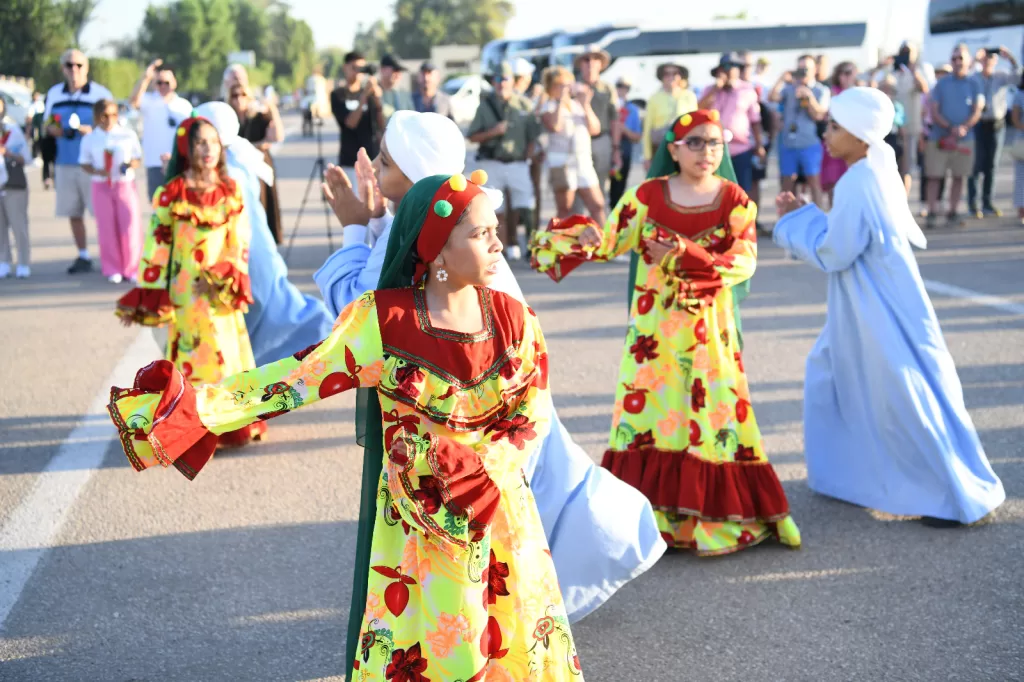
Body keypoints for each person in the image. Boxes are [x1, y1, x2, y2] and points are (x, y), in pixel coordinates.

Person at [107, 169, 590, 681]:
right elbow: (294, 378)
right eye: (481, 234)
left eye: (496, 230)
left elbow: (531, 411)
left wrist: (482, 468)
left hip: (500, 512)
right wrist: (193, 410)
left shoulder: (515, 317)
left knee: (510, 637)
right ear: (438, 253)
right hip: (419, 522)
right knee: (439, 642)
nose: (498, 243)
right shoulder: (383, 322)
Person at [316, 109, 665, 626]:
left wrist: (353, 229)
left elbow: (359, 311)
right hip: (487, 401)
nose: (377, 168)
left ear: (411, 178)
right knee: (526, 497)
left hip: (462, 415)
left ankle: (473, 624)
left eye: (386, 162)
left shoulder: (423, 235)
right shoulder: (452, 221)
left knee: (483, 516)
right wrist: (374, 218)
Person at [530, 110, 801, 555]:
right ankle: (647, 520)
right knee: (652, 418)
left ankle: (712, 519)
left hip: (707, 334)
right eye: (695, 143)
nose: (707, 152)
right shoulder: (645, 197)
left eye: (716, 143)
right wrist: (558, 243)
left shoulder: (735, 199)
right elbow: (609, 241)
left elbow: (744, 261)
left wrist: (681, 254)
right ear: (672, 150)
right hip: (653, 337)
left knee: (711, 417)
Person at [773, 87, 1004, 527]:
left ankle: (950, 494)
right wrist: (806, 216)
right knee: (845, 374)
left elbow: (836, 252)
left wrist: (792, 224)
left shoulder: (857, 181)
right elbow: (848, 239)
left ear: (861, 135)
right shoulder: (872, 174)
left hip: (872, 303)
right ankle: (855, 478)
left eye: (836, 126)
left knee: (900, 389)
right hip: (877, 296)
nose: (827, 132)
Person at [114, 115, 265, 449]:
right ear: (185, 148)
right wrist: (146, 296)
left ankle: (229, 426)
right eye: (199, 142)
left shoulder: (230, 189)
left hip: (219, 291)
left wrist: (221, 277)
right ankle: (192, 431)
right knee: (190, 356)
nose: (208, 148)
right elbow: (157, 245)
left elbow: (240, 240)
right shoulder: (172, 192)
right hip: (184, 295)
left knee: (225, 354)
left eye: (212, 141)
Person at [192, 101, 335, 365]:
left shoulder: (228, 171)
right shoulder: (237, 158)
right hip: (255, 256)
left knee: (265, 319)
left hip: (243, 258)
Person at [43, 48, 114, 274]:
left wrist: (91, 130)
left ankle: (110, 256)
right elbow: (47, 124)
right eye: (69, 65)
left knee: (101, 213)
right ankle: (83, 255)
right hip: (66, 161)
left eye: (79, 65)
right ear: (63, 68)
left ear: (86, 68)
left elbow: (112, 125)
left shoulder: (99, 93)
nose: (74, 70)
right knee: (73, 212)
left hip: (95, 165)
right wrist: (57, 130)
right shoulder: (55, 94)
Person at [467, 62, 540, 261]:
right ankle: (501, 248)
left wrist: (529, 154)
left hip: (517, 163)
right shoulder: (485, 105)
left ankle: (532, 249)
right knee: (493, 210)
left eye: (505, 79)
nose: (500, 83)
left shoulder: (523, 104)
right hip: (493, 163)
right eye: (496, 79)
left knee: (526, 206)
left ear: (512, 81)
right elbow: (472, 137)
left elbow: (534, 135)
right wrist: (493, 132)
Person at [78, 99, 143, 284]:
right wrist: (97, 170)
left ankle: (132, 268)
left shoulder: (127, 135)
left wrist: (130, 164)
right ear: (97, 117)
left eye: (113, 114)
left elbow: (137, 158)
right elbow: (84, 163)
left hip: (124, 184)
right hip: (101, 185)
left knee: (130, 226)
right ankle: (112, 267)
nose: (109, 119)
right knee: (107, 228)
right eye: (105, 115)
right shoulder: (90, 138)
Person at [924, 43, 984, 228]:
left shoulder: (975, 83)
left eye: (961, 58)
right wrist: (950, 128)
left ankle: (952, 211)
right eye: (954, 58)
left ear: (968, 61)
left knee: (959, 176)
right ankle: (932, 212)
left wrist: (963, 128)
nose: (957, 62)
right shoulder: (942, 84)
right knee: (934, 176)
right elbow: (934, 110)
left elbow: (977, 109)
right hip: (940, 138)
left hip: (965, 139)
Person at [540, 65, 605, 224]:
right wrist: (561, 101)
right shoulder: (548, 106)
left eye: (567, 84)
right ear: (551, 87)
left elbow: (595, 129)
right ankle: (559, 245)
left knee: (597, 205)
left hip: (582, 161)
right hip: (562, 163)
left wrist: (586, 105)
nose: (565, 88)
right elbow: (555, 126)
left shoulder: (578, 104)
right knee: (565, 209)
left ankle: (605, 245)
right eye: (559, 85)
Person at [699, 52, 765, 196]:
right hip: (714, 149)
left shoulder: (747, 90)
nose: (729, 71)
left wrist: (759, 145)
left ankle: (743, 218)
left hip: (741, 148)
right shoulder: (710, 90)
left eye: (733, 67)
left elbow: (755, 121)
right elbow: (698, 109)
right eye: (725, 68)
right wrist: (716, 89)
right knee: (716, 189)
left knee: (743, 189)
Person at [770, 54, 830, 208]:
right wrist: (781, 79)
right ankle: (787, 219)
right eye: (800, 69)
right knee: (787, 183)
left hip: (809, 143)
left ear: (814, 70)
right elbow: (771, 97)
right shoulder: (789, 89)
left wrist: (809, 98)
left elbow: (819, 115)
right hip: (788, 143)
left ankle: (819, 217)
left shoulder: (820, 90)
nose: (802, 72)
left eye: (806, 69)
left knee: (813, 181)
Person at [129, 59, 194, 199]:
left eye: (167, 83)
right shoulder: (148, 100)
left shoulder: (184, 105)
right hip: (155, 163)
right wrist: (146, 77)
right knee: (158, 204)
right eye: (159, 83)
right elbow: (133, 101)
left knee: (180, 204)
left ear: (174, 83)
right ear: (154, 84)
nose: (163, 86)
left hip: (179, 162)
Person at [227, 83, 284, 244]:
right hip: (236, 169)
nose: (239, 99)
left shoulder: (258, 117)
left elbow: (277, 136)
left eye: (242, 95)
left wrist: (272, 107)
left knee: (261, 208)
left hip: (257, 167)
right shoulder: (229, 119)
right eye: (234, 96)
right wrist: (256, 144)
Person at [967, 45, 1020, 218]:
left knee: (991, 165)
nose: (987, 60)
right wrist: (975, 58)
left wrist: (1010, 57)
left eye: (991, 58)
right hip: (979, 124)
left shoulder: (1001, 75)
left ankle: (987, 202)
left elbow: (1018, 78)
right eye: (985, 58)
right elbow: (964, 77)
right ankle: (973, 204)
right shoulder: (974, 77)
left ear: (995, 60)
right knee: (975, 165)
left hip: (996, 125)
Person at [574, 45, 623, 207]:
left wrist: (616, 149)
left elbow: (615, 119)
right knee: (577, 188)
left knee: (600, 188)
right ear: (580, 64)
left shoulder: (607, 88)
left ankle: (599, 228)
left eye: (595, 59)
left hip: (602, 140)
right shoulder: (573, 88)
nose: (590, 63)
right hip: (579, 141)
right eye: (586, 59)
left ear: (600, 64)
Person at [330, 51, 382, 187]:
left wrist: (377, 98)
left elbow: (381, 123)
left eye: (361, 69)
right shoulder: (338, 94)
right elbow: (350, 122)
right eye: (354, 68)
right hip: (350, 161)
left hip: (372, 158)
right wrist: (364, 95)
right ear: (345, 68)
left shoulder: (370, 92)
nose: (358, 72)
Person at [642, 63, 697, 167]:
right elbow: (647, 129)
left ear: (680, 76)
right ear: (662, 77)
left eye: (674, 73)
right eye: (666, 74)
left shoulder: (689, 96)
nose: (671, 76)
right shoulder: (654, 98)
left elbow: (696, 125)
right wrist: (647, 156)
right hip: (660, 147)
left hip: (684, 147)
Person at [0, 97, 31, 279]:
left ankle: (24, 262)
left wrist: (7, 152)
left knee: (19, 225)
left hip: (13, 184)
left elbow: (25, 158)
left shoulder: (12, 130)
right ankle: (4, 261)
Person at [820, 62, 858, 202]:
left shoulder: (858, 94)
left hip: (851, 143)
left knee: (850, 182)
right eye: (843, 73)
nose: (846, 77)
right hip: (835, 141)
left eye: (850, 73)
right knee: (833, 180)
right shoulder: (831, 93)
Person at [610, 77, 643, 208]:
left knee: (619, 186)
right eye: (619, 86)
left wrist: (623, 129)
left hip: (624, 149)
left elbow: (637, 136)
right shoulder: (610, 105)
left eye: (625, 87)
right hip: (608, 148)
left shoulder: (632, 109)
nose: (621, 90)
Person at [378, 54, 414, 127]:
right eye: (395, 70)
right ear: (382, 69)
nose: (398, 74)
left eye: (400, 70)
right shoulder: (372, 93)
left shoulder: (404, 94)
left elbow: (412, 119)